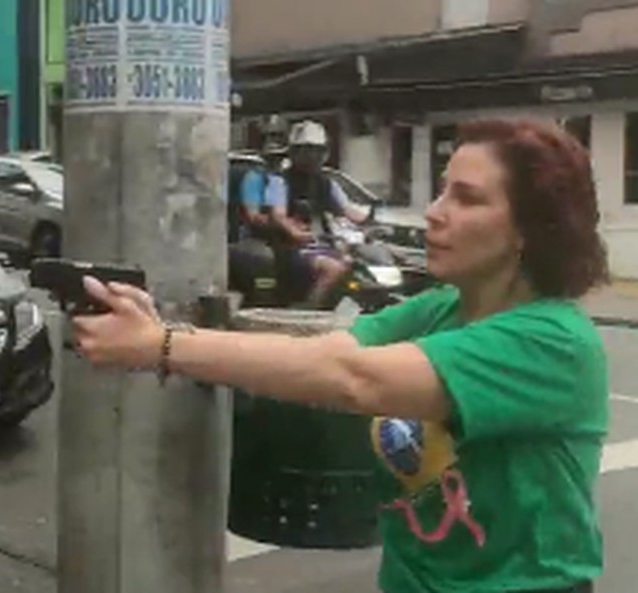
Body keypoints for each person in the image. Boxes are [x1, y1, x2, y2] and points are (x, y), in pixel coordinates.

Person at [72, 118, 609, 593]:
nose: (434, 213)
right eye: (443, 191)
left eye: (467, 199)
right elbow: (328, 351)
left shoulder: (553, 341)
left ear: (528, 231)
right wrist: (163, 331)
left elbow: (354, 379)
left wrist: (161, 346)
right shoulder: (440, 309)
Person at [282, 120, 372, 305]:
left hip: (320, 244)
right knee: (333, 269)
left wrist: (373, 220)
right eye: (305, 150)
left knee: (359, 262)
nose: (311, 156)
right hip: (291, 247)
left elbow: (347, 210)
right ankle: (307, 313)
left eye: (316, 150)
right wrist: (293, 230)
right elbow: (277, 216)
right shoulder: (280, 182)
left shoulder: (326, 183)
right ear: (293, 153)